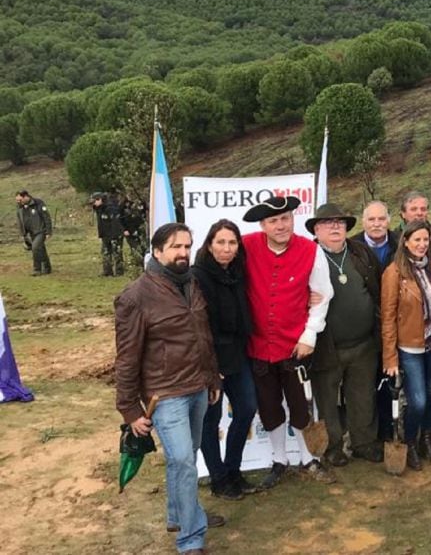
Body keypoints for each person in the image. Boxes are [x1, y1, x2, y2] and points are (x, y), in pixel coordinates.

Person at [114, 222, 223, 552]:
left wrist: (212, 377)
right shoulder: (136, 297)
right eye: (176, 247)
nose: (184, 253)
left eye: (188, 246)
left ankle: (180, 514)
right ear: (157, 251)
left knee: (185, 459)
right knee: (183, 462)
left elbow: (204, 337)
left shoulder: (191, 285)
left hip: (198, 387)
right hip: (165, 395)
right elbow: (126, 357)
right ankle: (191, 537)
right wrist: (130, 408)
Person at [241, 195, 335, 488]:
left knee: (300, 406)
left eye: (285, 219)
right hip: (258, 346)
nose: (281, 226)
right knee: (269, 407)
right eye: (273, 221)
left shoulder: (311, 250)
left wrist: (310, 335)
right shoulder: (246, 245)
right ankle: (279, 459)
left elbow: (324, 295)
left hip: (296, 346)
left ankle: (308, 458)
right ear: (263, 225)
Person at [306, 203, 384, 468]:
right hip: (327, 346)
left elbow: (377, 287)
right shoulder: (308, 256)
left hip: (364, 343)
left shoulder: (360, 252)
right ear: (316, 229)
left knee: (363, 396)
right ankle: (332, 447)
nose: (335, 227)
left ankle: (363, 443)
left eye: (340, 223)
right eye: (328, 223)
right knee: (327, 399)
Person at [192, 219, 258, 501]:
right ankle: (218, 477)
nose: (227, 248)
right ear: (209, 244)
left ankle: (233, 469)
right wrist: (210, 368)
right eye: (221, 242)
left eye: (232, 242)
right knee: (211, 420)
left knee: (246, 409)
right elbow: (198, 326)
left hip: (238, 354)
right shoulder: (197, 276)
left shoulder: (238, 272)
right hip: (210, 359)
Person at [381, 220, 431, 470]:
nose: (421, 244)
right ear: (405, 242)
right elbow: (388, 318)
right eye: (416, 240)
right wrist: (390, 358)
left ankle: (427, 439)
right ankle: (409, 442)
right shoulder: (394, 273)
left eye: (425, 239)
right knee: (418, 399)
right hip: (410, 347)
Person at [15, 190, 52, 275]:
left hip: (41, 231)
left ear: (25, 197)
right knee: (41, 249)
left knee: (35, 248)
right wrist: (23, 235)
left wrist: (48, 232)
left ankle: (37, 269)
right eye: (17, 201)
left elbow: (46, 217)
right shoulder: (20, 207)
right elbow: (20, 221)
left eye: (20, 200)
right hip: (31, 233)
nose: (18, 202)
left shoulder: (38, 203)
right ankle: (47, 268)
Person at [91, 192, 126, 277]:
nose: (94, 203)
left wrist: (115, 235)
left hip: (114, 234)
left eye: (95, 201)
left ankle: (119, 272)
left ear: (100, 199)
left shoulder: (111, 208)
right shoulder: (99, 209)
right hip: (105, 235)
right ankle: (107, 271)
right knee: (105, 252)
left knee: (117, 253)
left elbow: (115, 222)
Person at [360, 200, 396, 270]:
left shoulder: (401, 243)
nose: (377, 224)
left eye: (381, 219)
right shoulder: (350, 248)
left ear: (388, 221)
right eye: (371, 219)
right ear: (363, 222)